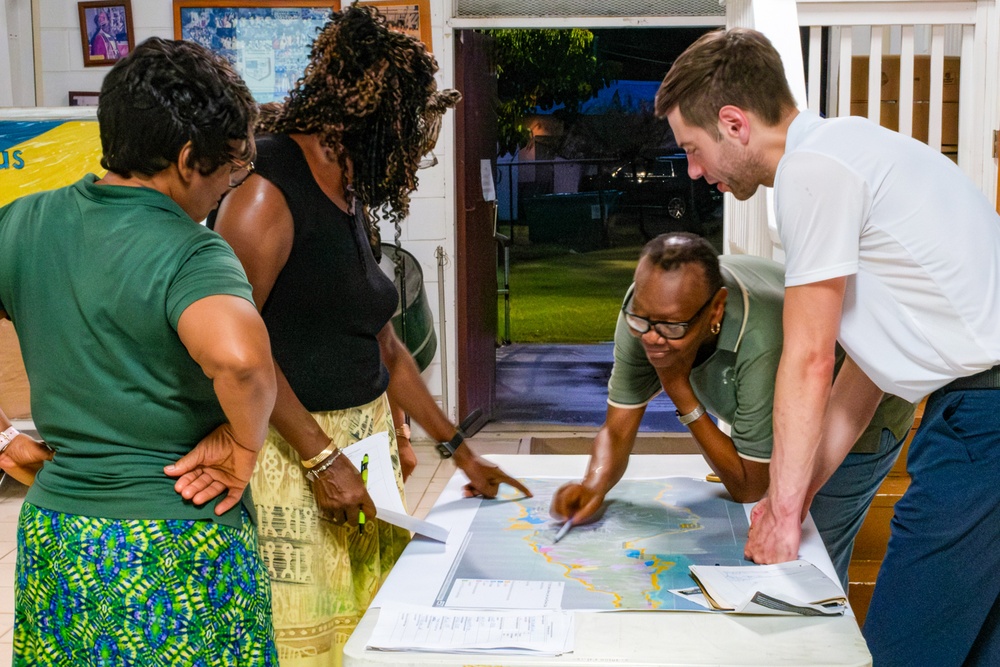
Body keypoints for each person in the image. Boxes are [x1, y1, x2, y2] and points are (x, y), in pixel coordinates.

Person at [656, 28, 1000, 666]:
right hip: (979, 412)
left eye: (693, 149)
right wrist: (796, 498)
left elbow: (809, 359)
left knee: (902, 651)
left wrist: (783, 516)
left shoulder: (811, 173)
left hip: (984, 425)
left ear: (733, 123)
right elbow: (860, 377)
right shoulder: (853, 150)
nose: (695, 170)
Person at [212, 7, 531, 665]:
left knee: (368, 634)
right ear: (371, 119)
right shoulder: (265, 191)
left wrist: (459, 450)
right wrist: (320, 458)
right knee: (309, 640)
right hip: (291, 460)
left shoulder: (348, 188)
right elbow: (233, 346)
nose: (415, 149)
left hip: (359, 455)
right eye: (411, 131)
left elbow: (386, 343)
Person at [0, 37, 278, 665]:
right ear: (187, 160)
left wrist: (3, 439)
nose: (225, 190)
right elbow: (240, 361)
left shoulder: (21, 223)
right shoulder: (191, 252)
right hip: (177, 543)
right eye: (228, 169)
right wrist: (242, 447)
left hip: (61, 541)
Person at [550, 232, 914, 589]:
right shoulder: (647, 311)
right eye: (640, 320)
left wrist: (679, 389)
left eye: (670, 326)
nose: (651, 337)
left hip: (855, 411)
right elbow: (617, 430)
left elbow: (749, 486)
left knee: (808, 565)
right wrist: (593, 484)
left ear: (716, 309)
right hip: (787, 402)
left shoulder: (763, 335)